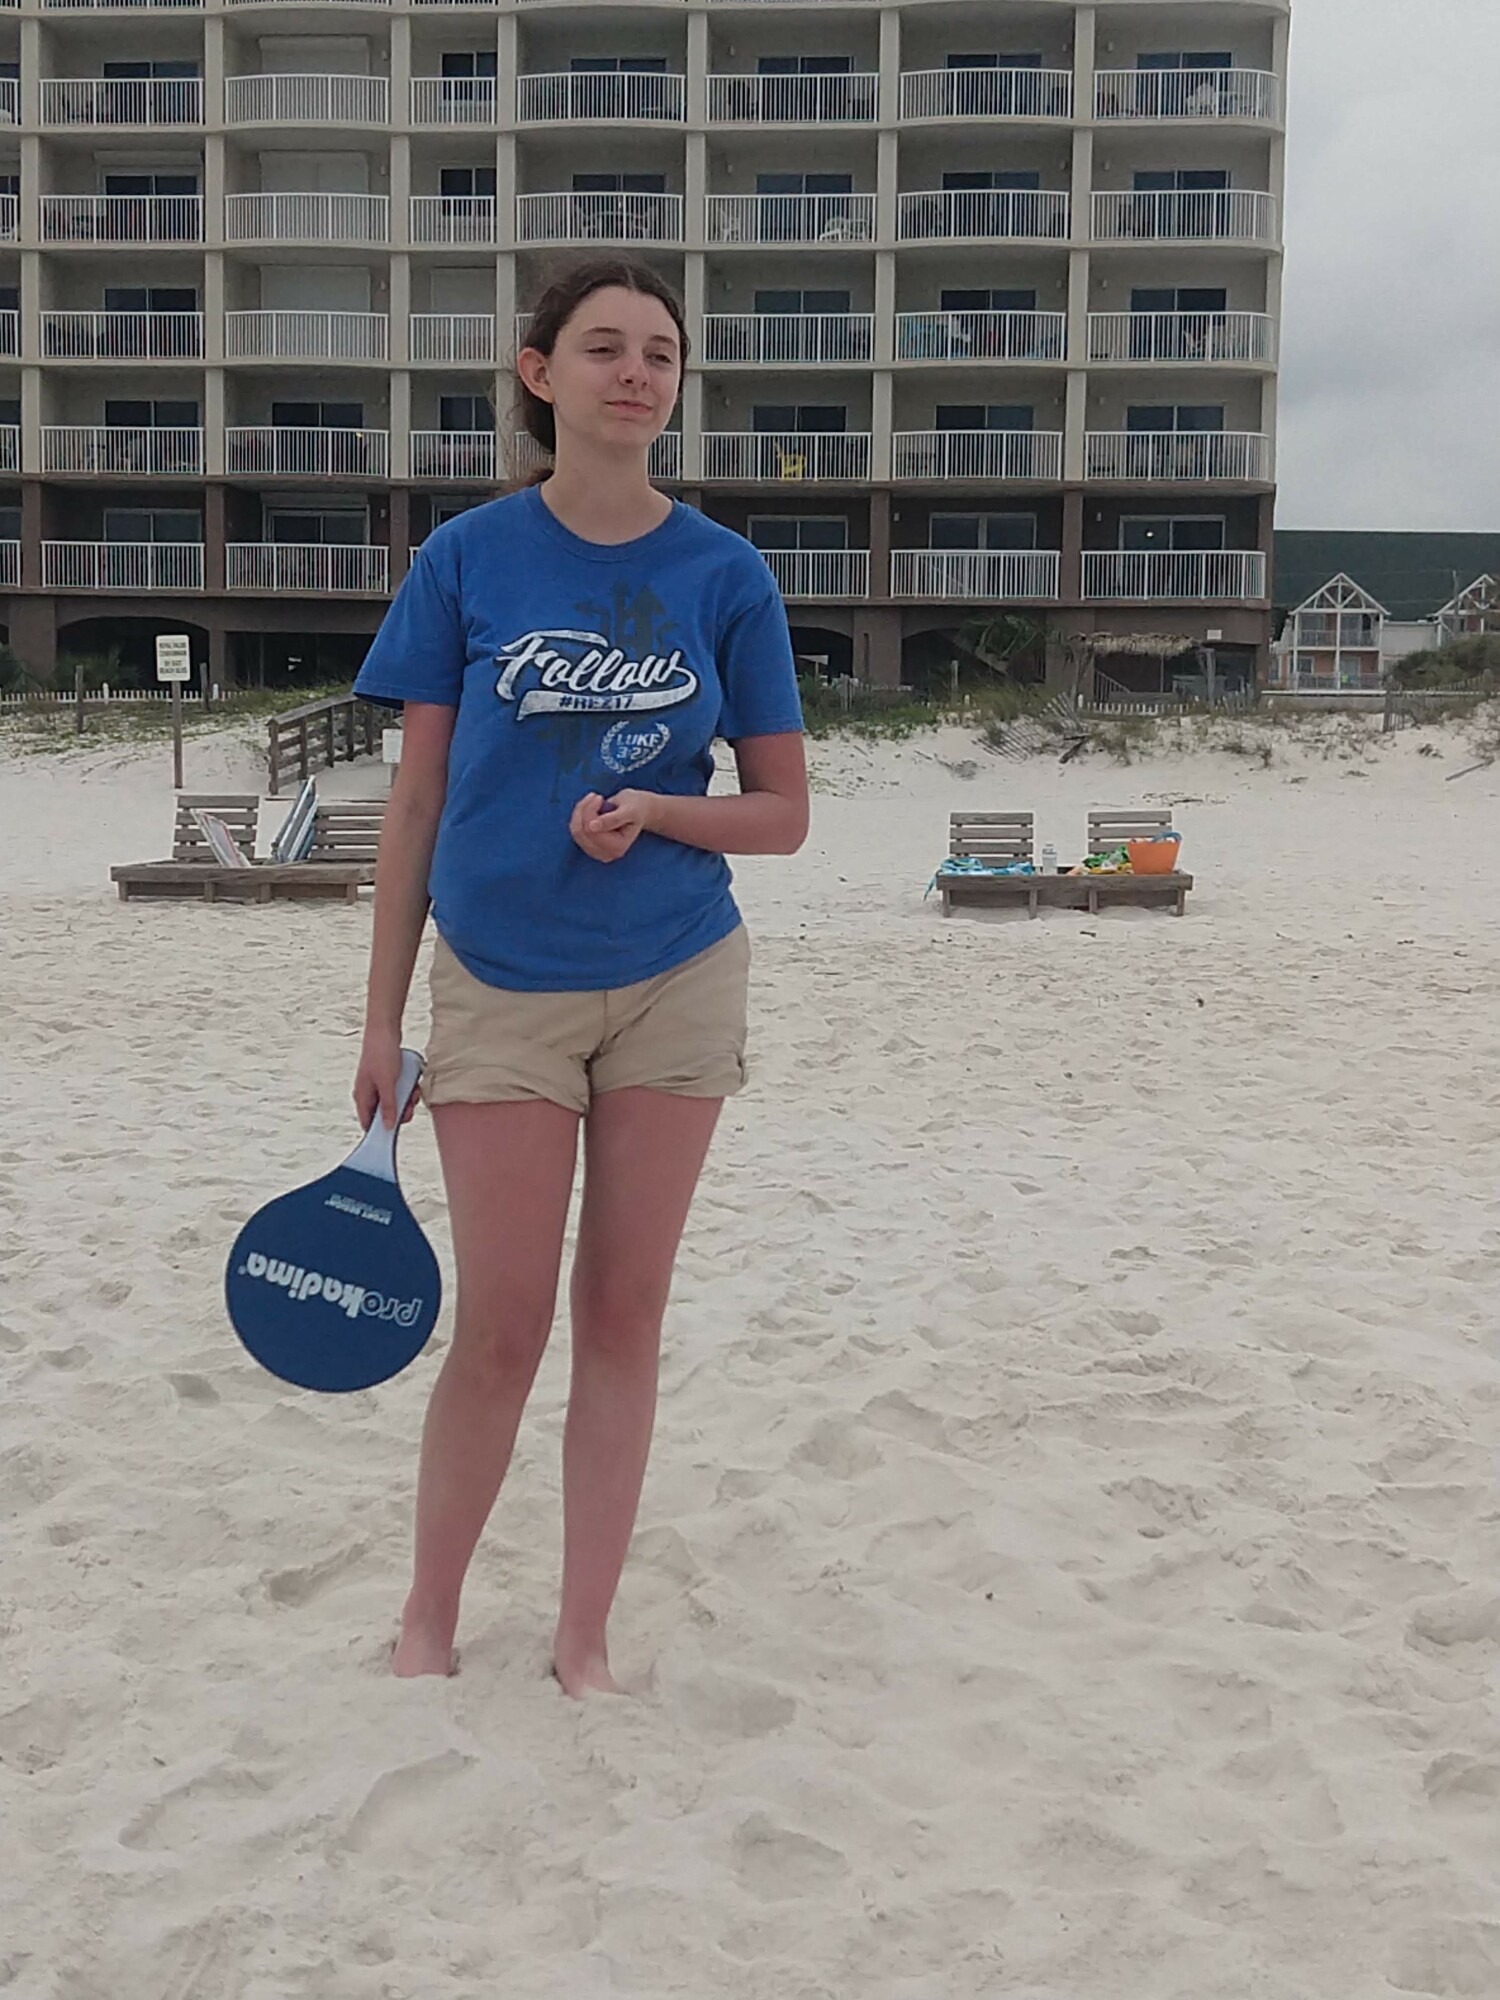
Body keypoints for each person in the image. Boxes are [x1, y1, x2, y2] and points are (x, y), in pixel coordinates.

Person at [350, 255, 809, 1694]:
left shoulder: (725, 574)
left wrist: (660, 809)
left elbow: (784, 813)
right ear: (540, 375)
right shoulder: (468, 559)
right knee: (502, 1320)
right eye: (603, 348)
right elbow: (414, 806)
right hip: (497, 980)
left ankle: (583, 1637)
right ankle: (429, 1619)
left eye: (660, 354)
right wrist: (379, 1013)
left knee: (623, 1313)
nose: (635, 373)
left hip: (677, 972)